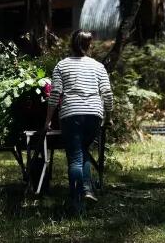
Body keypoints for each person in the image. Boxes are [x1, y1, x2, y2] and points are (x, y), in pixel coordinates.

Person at [44, 30, 113, 214]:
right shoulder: (98, 66)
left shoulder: (62, 66)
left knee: (75, 158)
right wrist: (109, 118)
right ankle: (88, 188)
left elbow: (55, 95)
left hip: (71, 115)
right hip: (94, 115)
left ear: (71, 45)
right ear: (89, 45)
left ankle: (77, 203)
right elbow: (107, 93)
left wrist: (47, 122)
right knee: (83, 152)